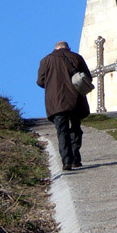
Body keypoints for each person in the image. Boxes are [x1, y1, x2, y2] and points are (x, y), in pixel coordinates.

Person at [37, 41, 92, 171]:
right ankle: (76, 159)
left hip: (56, 102)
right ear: (68, 48)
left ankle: (66, 161)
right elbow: (88, 77)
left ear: (54, 48)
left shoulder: (45, 60)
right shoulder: (77, 57)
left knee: (62, 132)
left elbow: (40, 81)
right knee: (76, 129)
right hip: (76, 101)